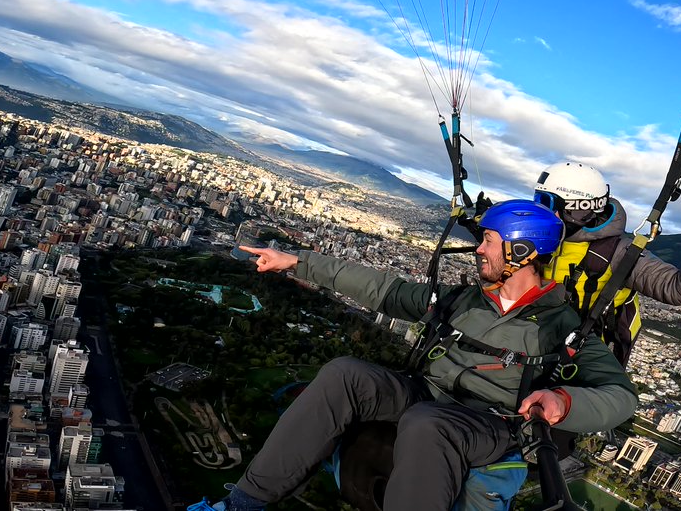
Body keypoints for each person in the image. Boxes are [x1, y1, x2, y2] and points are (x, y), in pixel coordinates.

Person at [198, 200, 638, 511]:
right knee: (345, 374)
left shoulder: (561, 328)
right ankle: (243, 504)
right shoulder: (462, 300)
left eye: (488, 240)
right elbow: (383, 290)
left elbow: (620, 397)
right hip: (424, 393)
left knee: (428, 424)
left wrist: (564, 401)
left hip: (491, 422)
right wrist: (297, 262)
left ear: (520, 252)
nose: (479, 249)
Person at [531, 161, 681, 366]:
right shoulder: (537, 237)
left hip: (583, 359)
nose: (538, 212)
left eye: (546, 203)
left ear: (577, 209)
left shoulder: (619, 253)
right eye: (537, 201)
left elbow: (679, 290)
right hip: (533, 341)